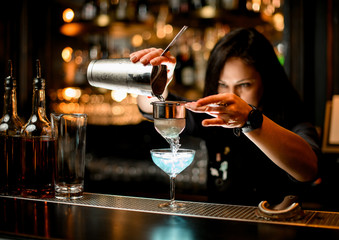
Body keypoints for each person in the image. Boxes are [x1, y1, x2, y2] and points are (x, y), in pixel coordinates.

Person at [130, 28, 321, 206]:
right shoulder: (212, 116)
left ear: (267, 81)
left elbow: (309, 169)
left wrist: (250, 120)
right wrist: (153, 81)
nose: (232, 96)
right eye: (223, 85)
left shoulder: (292, 117)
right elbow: (157, 109)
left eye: (244, 85)